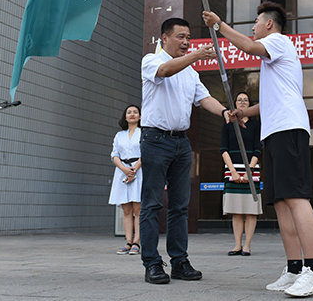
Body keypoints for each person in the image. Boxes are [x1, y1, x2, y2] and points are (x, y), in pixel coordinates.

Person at [203, 2, 313, 297]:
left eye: (256, 21)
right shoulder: (273, 56)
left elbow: (248, 46)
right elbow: (271, 100)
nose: (253, 27)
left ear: (269, 24)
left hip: (288, 129)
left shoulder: (278, 41)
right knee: (281, 202)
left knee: (296, 197)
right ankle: (294, 268)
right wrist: (244, 113)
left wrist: (219, 25)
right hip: (273, 133)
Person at [139, 17, 229, 284]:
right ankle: (152, 263)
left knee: (180, 206)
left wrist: (225, 112)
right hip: (155, 140)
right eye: (181, 37)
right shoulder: (151, 60)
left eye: (188, 37)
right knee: (152, 204)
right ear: (164, 38)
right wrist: (197, 55)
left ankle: (179, 261)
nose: (186, 42)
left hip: (181, 143)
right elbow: (165, 71)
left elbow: (204, 98)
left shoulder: (191, 72)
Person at [221, 91, 262, 256]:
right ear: (234, 104)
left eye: (246, 100)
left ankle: (247, 245)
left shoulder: (256, 125)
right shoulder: (227, 124)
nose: (242, 102)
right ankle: (237, 245)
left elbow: (258, 149)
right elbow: (223, 149)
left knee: (251, 210)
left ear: (250, 104)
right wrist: (233, 171)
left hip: (251, 171)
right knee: (236, 210)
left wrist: (248, 171)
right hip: (232, 171)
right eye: (239, 100)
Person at [109, 104, 142, 255]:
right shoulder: (119, 135)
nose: (132, 114)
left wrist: (134, 170)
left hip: (139, 171)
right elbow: (114, 155)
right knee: (126, 209)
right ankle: (128, 242)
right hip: (122, 171)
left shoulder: (143, 133)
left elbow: (146, 152)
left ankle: (137, 242)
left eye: (135, 112)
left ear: (140, 116)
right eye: (129, 112)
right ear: (125, 116)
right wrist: (124, 169)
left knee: (138, 209)